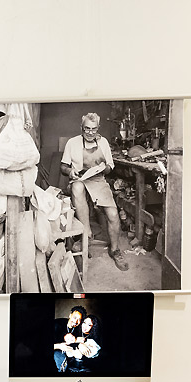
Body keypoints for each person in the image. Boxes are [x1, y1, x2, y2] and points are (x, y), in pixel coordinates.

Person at [61, 112, 126, 270]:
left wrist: (104, 168)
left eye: (94, 129)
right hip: (80, 179)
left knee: (113, 214)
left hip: (98, 180)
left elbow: (110, 166)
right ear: (81, 127)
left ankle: (115, 250)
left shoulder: (103, 142)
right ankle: (87, 234)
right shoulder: (72, 143)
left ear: (98, 128)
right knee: (77, 187)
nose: (90, 132)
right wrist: (70, 172)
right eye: (87, 128)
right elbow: (63, 166)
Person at [53, 306, 85, 372]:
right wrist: (59, 346)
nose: (76, 321)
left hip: (69, 353)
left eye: (79, 319)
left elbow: (80, 340)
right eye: (75, 317)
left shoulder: (78, 329)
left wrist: (81, 345)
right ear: (70, 315)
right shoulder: (56, 324)